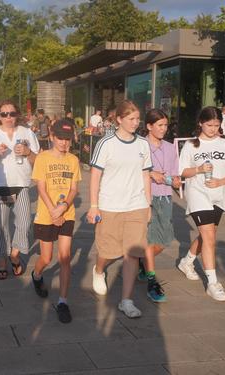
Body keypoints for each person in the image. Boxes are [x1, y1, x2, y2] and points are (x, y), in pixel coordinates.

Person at [88, 100, 152, 318]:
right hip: (110, 205)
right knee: (108, 251)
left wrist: (148, 203)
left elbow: (146, 175)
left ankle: (127, 300)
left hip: (137, 205)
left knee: (132, 254)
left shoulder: (143, 144)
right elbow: (95, 175)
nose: (136, 123)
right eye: (131, 119)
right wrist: (93, 205)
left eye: (137, 119)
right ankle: (98, 270)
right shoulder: (106, 144)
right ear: (119, 120)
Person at [177, 107, 225, 302]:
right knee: (210, 238)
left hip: (219, 195)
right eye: (209, 125)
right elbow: (182, 172)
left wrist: (221, 182)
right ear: (200, 123)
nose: (213, 129)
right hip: (198, 194)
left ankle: (187, 261)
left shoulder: (224, 144)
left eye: (216, 125)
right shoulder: (191, 145)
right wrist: (198, 169)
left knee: (208, 236)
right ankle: (213, 283)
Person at [0, 100, 40, 280]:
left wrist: (28, 152)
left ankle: (15, 254)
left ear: (17, 114)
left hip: (21, 183)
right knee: (1, 226)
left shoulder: (26, 132)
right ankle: (3, 262)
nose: (8, 117)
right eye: (4, 114)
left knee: (25, 222)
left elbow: (38, 160)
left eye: (12, 113)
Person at [30, 119, 81, 324]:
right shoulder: (42, 158)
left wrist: (64, 207)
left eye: (67, 139)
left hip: (66, 214)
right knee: (46, 257)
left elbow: (74, 189)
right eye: (60, 138)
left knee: (65, 257)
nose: (64, 143)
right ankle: (36, 274)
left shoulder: (73, 160)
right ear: (52, 137)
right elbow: (40, 188)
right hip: (46, 214)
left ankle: (62, 301)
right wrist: (53, 210)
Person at [137, 109, 181, 303]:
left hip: (165, 197)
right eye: (160, 125)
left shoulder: (171, 148)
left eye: (165, 125)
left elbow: (174, 174)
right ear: (149, 126)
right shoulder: (139, 146)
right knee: (150, 238)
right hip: (144, 197)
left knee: (163, 242)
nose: (164, 129)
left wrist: (176, 181)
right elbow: (130, 171)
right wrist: (150, 174)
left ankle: (140, 259)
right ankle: (152, 280)